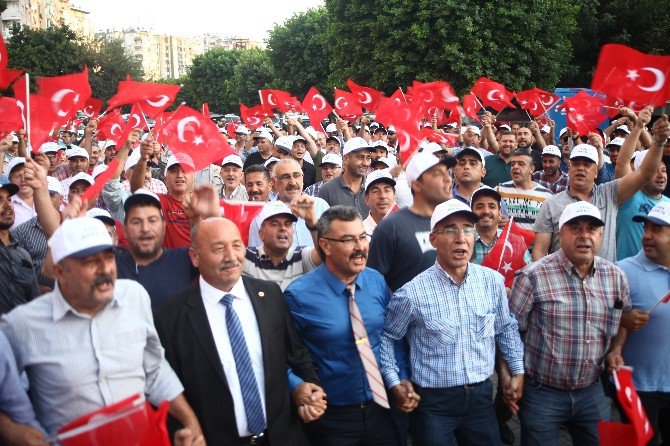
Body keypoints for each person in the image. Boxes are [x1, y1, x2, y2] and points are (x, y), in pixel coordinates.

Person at [0, 217, 203, 438]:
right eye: (90, 262)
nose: (105, 269)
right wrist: (14, 431)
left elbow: (154, 370)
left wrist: (190, 422)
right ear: (60, 273)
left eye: (108, 257)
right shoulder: (23, 324)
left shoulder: (134, 296)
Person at [154, 217, 324, 445]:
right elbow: (166, 390)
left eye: (236, 246)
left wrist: (309, 391)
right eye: (218, 248)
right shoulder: (170, 318)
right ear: (195, 257)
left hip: (283, 437)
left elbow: (297, 354)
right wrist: (183, 432)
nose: (231, 257)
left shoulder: (270, 295)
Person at [380, 199, 525, 446]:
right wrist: (394, 382)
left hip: (481, 399)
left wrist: (517, 369)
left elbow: (506, 327)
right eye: (450, 230)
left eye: (468, 228)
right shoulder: (412, 293)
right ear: (433, 239)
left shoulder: (492, 282)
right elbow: (389, 338)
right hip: (433, 405)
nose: (461, 237)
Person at [509, 201, 631, 445]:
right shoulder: (533, 276)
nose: (584, 236)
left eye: (591, 229)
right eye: (575, 228)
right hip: (542, 394)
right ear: (559, 234)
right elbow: (509, 331)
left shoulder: (616, 276)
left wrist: (616, 351)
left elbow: (623, 320)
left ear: (601, 235)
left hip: (592, 392)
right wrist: (512, 375)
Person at [285, 206, 401, 446]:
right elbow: (280, 356)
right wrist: (298, 389)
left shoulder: (376, 281)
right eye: (348, 240)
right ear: (325, 245)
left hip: (382, 410)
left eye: (362, 237)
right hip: (331, 419)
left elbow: (391, 337)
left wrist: (402, 378)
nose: (360, 247)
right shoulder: (298, 296)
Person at [532, 108, 667, 262]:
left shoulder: (610, 193)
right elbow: (540, 251)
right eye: (576, 164)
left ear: (596, 172)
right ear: (569, 169)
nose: (581, 168)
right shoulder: (551, 204)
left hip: (604, 283)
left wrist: (657, 140)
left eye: (587, 164)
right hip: (563, 284)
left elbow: (645, 173)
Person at [613, 202, 670, 446]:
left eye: (657, 230)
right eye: (646, 228)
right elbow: (599, 318)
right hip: (637, 386)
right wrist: (621, 319)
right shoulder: (622, 272)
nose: (647, 235)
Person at [368, 151, 454, 293]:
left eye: (448, 173)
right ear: (417, 185)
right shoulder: (391, 228)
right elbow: (372, 285)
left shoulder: (456, 223)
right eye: (438, 174)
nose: (448, 179)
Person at [114, 189, 198, 307]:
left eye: (152, 220)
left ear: (164, 227)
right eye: (136, 222)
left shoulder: (184, 259)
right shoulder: (111, 264)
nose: (145, 228)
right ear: (125, 230)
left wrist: (198, 220)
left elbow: (217, 262)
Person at [614, 124, 670, 260]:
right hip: (625, 273)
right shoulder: (628, 196)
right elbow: (622, 163)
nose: (661, 176)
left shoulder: (668, 205)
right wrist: (638, 126)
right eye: (654, 171)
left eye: (663, 171)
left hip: (658, 275)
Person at [248, 159, 329, 249]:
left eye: (296, 175)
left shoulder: (321, 206)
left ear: (302, 177)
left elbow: (331, 246)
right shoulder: (262, 215)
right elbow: (255, 256)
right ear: (274, 182)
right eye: (285, 177)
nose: (292, 182)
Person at [244, 198, 322, 290]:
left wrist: (311, 222)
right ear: (261, 234)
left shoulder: (301, 257)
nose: (283, 228)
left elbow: (324, 254)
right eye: (274, 224)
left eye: (288, 224)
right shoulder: (247, 258)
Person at [0, 182, 39, 315]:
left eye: (9, 199)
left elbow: (34, 302)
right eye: (0, 200)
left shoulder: (23, 255)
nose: (7, 204)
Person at [470, 186, 532, 266]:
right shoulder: (463, 240)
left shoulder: (515, 243)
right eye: (479, 207)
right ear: (471, 213)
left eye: (492, 206)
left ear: (500, 214)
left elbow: (528, 273)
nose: (486, 211)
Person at [496, 149, 552, 231]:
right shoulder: (499, 190)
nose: (515, 167)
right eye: (513, 164)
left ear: (531, 169)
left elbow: (546, 231)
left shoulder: (546, 196)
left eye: (521, 164)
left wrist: (513, 228)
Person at [318, 137, 373, 217]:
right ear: (346, 159)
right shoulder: (327, 190)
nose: (365, 163)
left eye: (368, 158)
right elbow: (321, 225)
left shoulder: (374, 186)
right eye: (360, 157)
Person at [363, 169, 398, 239]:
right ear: (366, 198)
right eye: (375, 191)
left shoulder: (406, 228)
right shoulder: (360, 232)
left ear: (394, 196)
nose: (382, 196)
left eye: (387, 190)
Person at [6, 158, 36, 229]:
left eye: (26, 174)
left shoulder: (45, 198)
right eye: (17, 176)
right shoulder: (6, 205)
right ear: (10, 180)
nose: (23, 179)